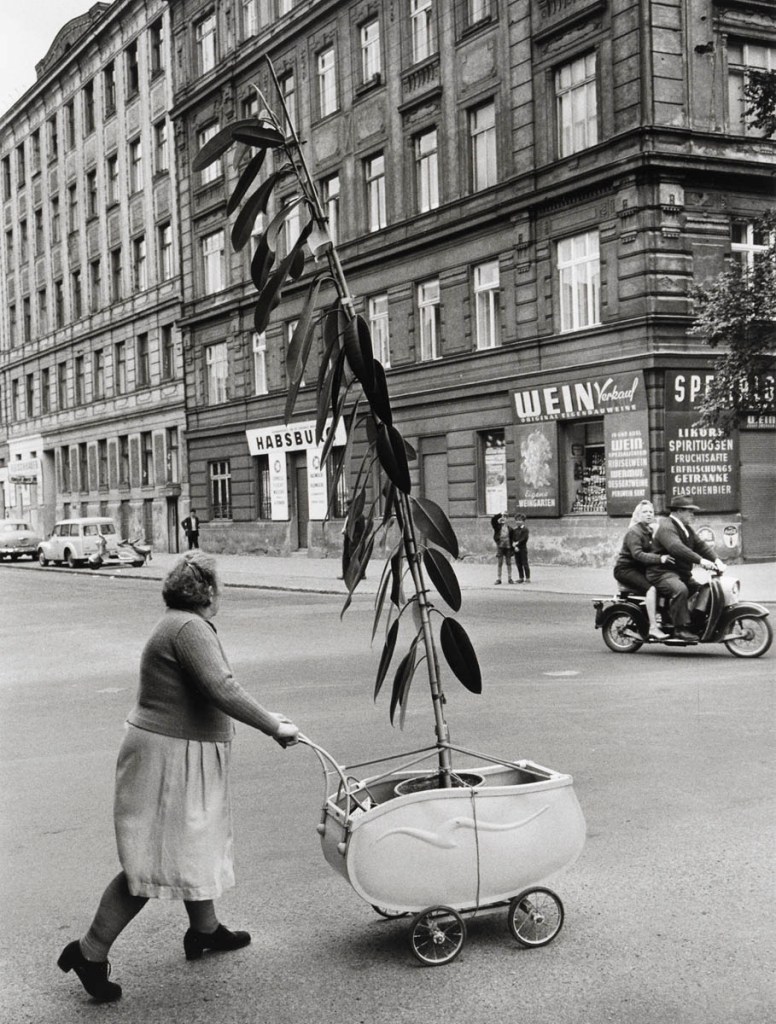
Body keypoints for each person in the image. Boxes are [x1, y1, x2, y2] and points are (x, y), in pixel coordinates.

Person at [57, 552, 300, 1003]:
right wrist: (272, 726)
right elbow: (221, 687)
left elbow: (213, 689)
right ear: (208, 592)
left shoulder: (177, 623)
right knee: (151, 863)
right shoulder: (188, 628)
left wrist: (268, 717)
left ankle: (204, 930)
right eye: (218, 588)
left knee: (193, 843)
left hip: (173, 750)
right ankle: (88, 951)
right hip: (168, 756)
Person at [646, 494, 725, 642]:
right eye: (689, 511)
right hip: (662, 573)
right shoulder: (666, 526)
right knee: (680, 590)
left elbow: (701, 545)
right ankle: (680, 629)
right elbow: (676, 547)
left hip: (681, 573)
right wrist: (701, 561)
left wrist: (717, 560)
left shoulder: (686, 528)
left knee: (707, 589)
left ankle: (694, 622)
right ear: (678, 511)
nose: (692, 514)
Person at [613, 499, 673, 639]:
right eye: (644, 512)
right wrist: (660, 559)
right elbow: (638, 554)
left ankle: (666, 620)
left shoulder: (651, 530)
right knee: (651, 588)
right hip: (626, 569)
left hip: (641, 568)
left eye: (651, 512)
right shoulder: (634, 532)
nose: (648, 514)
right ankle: (653, 627)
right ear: (638, 515)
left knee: (665, 584)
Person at [491, 511, 516, 584]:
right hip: (500, 547)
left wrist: (513, 548)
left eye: (506, 517)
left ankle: (509, 578)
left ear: (508, 519)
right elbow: (493, 522)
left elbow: (512, 539)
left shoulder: (510, 529)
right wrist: (498, 517)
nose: (504, 519)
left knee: (509, 563)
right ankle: (499, 578)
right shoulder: (498, 527)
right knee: (500, 563)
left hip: (508, 547)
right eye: (503, 517)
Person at [512, 513, 531, 583]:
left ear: (523, 521)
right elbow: (512, 538)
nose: (518, 522)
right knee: (518, 563)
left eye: (520, 520)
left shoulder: (525, 529)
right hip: (516, 549)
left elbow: (524, 538)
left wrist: (517, 543)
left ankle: (528, 578)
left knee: (524, 563)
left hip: (522, 548)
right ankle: (521, 577)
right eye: (516, 520)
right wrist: (514, 546)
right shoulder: (515, 529)